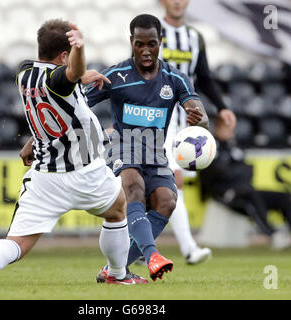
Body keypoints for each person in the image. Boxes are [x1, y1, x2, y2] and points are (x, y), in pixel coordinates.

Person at [0, 19, 145, 288]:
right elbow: (66, 77)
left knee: (17, 244)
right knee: (118, 209)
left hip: (44, 176)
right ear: (65, 55)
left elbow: (60, 89)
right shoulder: (60, 81)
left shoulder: (23, 73)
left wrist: (79, 76)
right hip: (85, 173)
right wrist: (80, 52)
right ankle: (117, 273)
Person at [85, 14, 209, 281]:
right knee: (134, 190)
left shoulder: (175, 78)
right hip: (121, 144)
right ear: (131, 41)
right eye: (139, 44)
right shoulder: (115, 76)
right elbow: (76, 107)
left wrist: (198, 118)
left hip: (154, 151)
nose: (145, 50)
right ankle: (152, 255)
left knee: (167, 201)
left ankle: (113, 270)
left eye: (151, 44)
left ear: (160, 42)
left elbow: (199, 111)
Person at [158, 0, 237, 265]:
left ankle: (134, 244)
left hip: (185, 124)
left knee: (161, 186)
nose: (179, 2)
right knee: (173, 182)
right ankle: (190, 248)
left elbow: (204, 77)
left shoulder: (194, 37)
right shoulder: (152, 33)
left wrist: (222, 107)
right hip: (158, 121)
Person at [199, 117, 291, 250]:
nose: (232, 133)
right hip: (223, 193)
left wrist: (234, 171)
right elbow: (218, 173)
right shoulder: (210, 147)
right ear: (218, 128)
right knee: (251, 196)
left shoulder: (233, 147)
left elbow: (249, 170)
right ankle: (273, 235)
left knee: (282, 196)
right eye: (228, 129)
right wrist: (235, 172)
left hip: (244, 189)